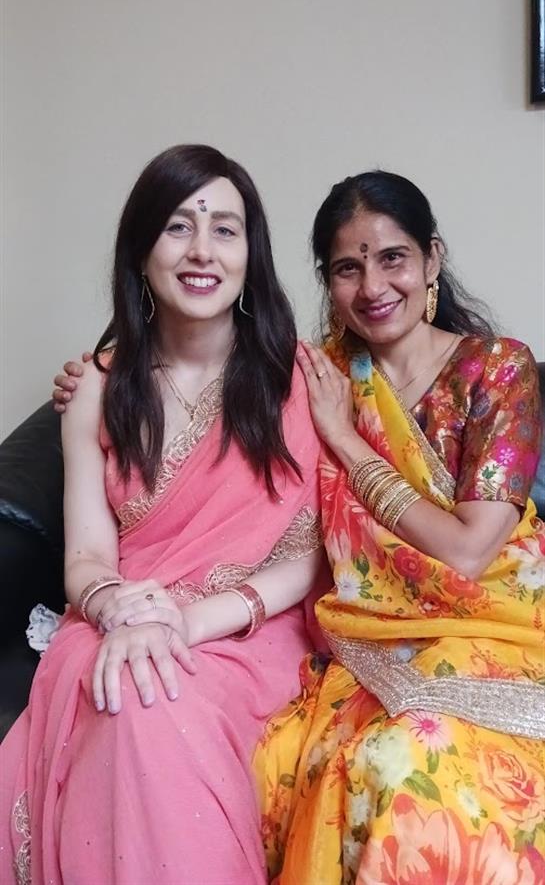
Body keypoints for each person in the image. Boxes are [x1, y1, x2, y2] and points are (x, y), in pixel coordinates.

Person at [0, 144, 326, 885]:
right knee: (118, 684)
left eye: (225, 228)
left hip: (250, 626)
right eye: (178, 226)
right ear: (141, 248)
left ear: (252, 252)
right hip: (122, 613)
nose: (202, 250)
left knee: (151, 696)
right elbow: (86, 554)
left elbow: (307, 553)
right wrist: (119, 606)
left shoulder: (299, 377)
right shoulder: (97, 387)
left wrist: (190, 621)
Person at [253, 171, 545, 883]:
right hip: (370, 639)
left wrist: (347, 445)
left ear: (431, 261)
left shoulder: (498, 370)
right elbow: (198, 381)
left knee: (413, 754)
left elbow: (470, 550)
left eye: (392, 257)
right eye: (346, 267)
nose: (372, 285)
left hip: (493, 628)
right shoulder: (316, 377)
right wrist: (100, 377)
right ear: (327, 281)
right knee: (305, 761)